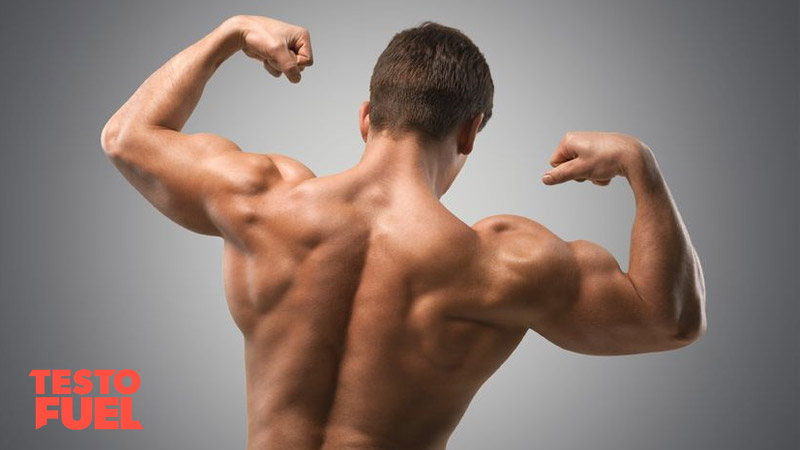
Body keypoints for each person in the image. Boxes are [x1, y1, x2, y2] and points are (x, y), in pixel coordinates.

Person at [100, 14, 706, 450]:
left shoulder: (265, 199)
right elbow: (670, 318)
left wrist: (231, 33)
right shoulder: (503, 262)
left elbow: (127, 137)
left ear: (367, 116)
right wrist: (639, 164)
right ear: (470, 132)